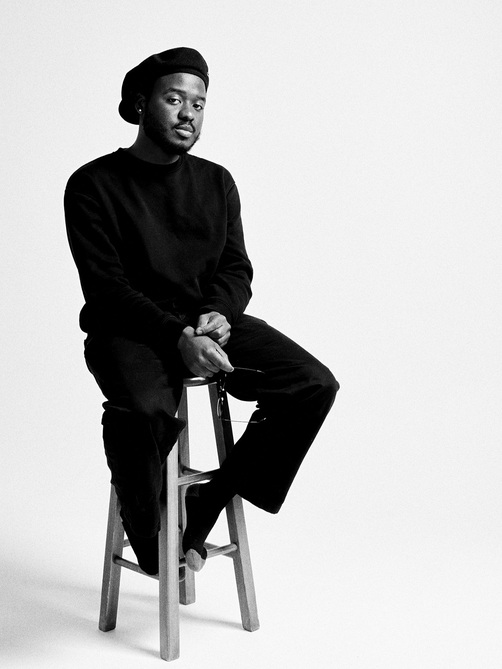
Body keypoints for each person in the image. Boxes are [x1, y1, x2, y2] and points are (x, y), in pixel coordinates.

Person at [64, 47, 339, 576]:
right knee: (145, 412)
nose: (189, 113)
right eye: (175, 100)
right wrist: (177, 336)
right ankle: (147, 527)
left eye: (199, 103)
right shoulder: (93, 183)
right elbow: (106, 288)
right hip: (129, 329)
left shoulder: (217, 181)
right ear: (140, 104)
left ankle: (205, 503)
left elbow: (236, 267)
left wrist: (219, 312)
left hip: (206, 322)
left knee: (311, 384)